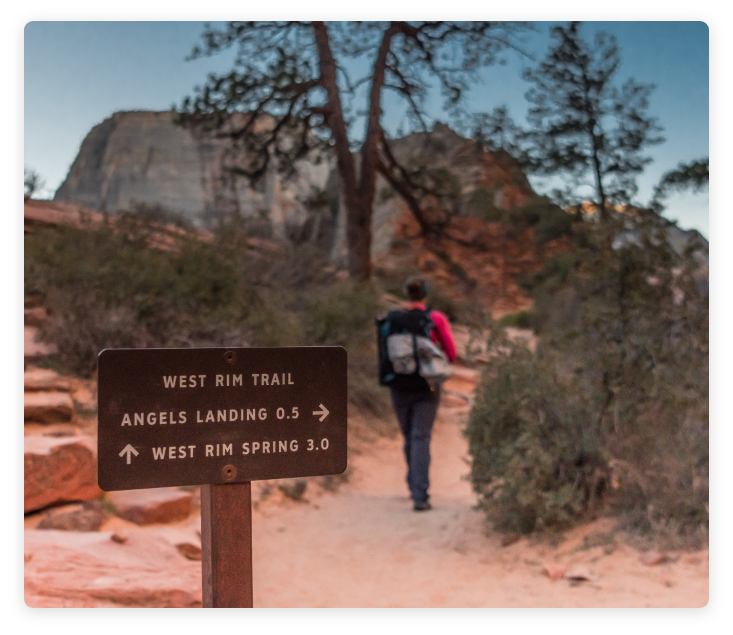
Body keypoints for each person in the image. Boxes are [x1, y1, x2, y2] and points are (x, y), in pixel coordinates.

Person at [389, 276, 456, 511]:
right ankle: (420, 494)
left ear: (406, 294)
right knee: (421, 436)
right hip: (427, 386)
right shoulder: (435, 319)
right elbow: (451, 351)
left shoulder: (394, 318)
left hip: (398, 385)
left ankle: (413, 484)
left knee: (409, 435)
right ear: (425, 293)